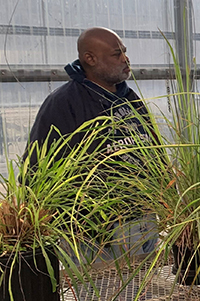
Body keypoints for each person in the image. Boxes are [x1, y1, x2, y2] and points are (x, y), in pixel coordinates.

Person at [24, 27, 159, 259]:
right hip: (94, 235)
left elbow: (153, 149)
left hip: (141, 222)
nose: (125, 59)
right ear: (90, 59)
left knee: (146, 291)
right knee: (102, 294)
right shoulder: (63, 103)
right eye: (117, 54)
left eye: (124, 52)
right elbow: (37, 168)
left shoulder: (130, 98)